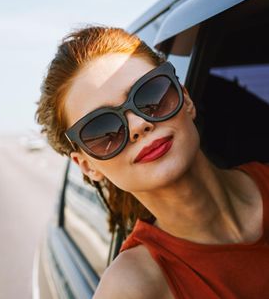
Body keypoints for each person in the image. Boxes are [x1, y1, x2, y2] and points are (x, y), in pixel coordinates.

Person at [35, 25, 269, 298]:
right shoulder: (133, 287)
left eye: (151, 95)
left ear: (185, 97)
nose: (139, 124)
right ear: (88, 166)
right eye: (102, 129)